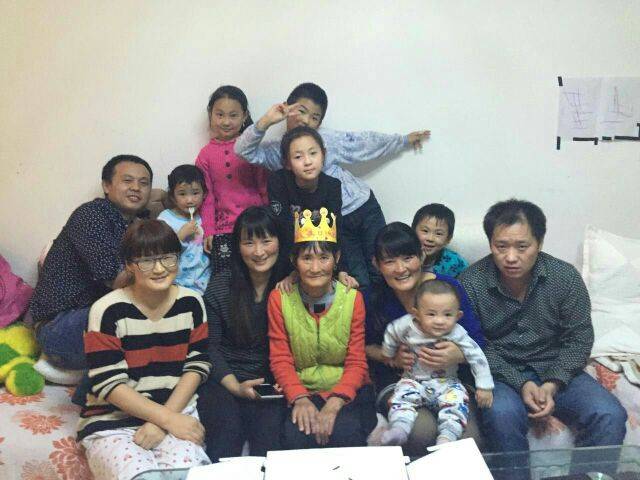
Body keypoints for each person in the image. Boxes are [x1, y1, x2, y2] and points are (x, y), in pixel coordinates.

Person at [459, 199, 627, 461]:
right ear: (490, 243)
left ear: (539, 243)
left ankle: (585, 477)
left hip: (555, 366)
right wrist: (521, 382)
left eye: (522, 246)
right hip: (500, 373)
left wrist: (552, 383)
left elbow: (579, 338)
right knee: (502, 415)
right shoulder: (470, 283)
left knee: (609, 414)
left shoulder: (564, 277)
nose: (511, 257)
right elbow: (473, 344)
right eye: (501, 246)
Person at [235, 82, 430, 288]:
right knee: (358, 278)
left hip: (364, 206)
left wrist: (402, 140)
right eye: (301, 111)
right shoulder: (278, 152)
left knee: (383, 264)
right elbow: (242, 150)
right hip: (335, 221)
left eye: (315, 117)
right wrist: (266, 121)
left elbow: (361, 143)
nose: (306, 120)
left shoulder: (326, 140)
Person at [78, 219, 211, 480]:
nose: (159, 269)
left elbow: (197, 365)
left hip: (177, 413)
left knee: (189, 476)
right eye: (147, 261)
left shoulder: (192, 303)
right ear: (129, 264)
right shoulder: (107, 310)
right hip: (113, 422)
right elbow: (108, 383)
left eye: (168, 258)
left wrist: (168, 420)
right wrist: (165, 419)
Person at [363, 222, 485, 454]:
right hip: (400, 383)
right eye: (389, 261)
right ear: (377, 264)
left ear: (421, 255)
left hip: (450, 381)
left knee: (466, 441)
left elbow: (478, 340)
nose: (400, 269)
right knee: (421, 431)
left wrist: (457, 354)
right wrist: (391, 358)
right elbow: (362, 346)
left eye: (408, 258)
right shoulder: (372, 297)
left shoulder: (447, 288)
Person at [31, 154, 152, 374]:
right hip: (60, 326)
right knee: (146, 306)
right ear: (106, 185)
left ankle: (85, 371)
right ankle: (69, 366)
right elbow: (118, 281)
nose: (136, 187)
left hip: (90, 319)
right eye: (127, 181)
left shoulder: (134, 223)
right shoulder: (92, 215)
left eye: (144, 183)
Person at [267, 207, 377, 449]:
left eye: (324, 258)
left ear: (336, 258)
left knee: (346, 433)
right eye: (307, 258)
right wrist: (299, 398)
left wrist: (335, 402)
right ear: (294, 261)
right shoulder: (279, 299)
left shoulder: (353, 299)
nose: (315, 268)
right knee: (296, 437)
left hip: (347, 390)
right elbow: (280, 358)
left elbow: (357, 361)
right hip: (301, 389)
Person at [197, 206, 288, 461]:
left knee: (269, 445)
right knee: (225, 438)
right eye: (249, 243)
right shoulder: (221, 285)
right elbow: (210, 347)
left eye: (266, 241)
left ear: (280, 242)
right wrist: (235, 387)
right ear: (237, 247)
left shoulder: (290, 286)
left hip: (270, 384)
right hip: (224, 381)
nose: (259, 252)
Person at [379, 279, 494, 447]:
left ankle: (447, 437)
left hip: (447, 383)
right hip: (413, 380)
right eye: (431, 314)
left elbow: (477, 356)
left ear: (458, 316)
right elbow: (391, 332)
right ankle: (399, 429)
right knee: (402, 399)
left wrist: (484, 386)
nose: (439, 321)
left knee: (457, 406)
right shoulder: (406, 325)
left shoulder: (458, 333)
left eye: (447, 315)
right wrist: (388, 353)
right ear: (416, 314)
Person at [195, 85, 269, 271]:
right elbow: (207, 197)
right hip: (223, 229)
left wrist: (270, 221)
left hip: (255, 225)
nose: (226, 121)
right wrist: (209, 230)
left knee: (257, 272)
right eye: (220, 115)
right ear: (210, 115)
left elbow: (263, 186)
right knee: (223, 276)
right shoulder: (205, 155)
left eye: (233, 115)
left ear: (244, 116)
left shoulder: (250, 148)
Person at [269, 125, 342, 261]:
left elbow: (335, 230)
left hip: (320, 253)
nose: (308, 162)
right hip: (287, 253)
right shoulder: (278, 182)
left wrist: (342, 267)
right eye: (298, 157)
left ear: (323, 154)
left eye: (313, 153)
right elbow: (281, 227)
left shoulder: (333, 186)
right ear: (287, 163)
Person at [158, 165, 210, 294]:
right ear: (172, 196)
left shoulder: (206, 218)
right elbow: (159, 250)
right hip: (176, 283)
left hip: (204, 282)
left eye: (195, 193)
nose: (189, 200)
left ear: (204, 194)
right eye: (182, 194)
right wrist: (180, 236)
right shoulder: (165, 219)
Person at [412, 203, 468, 277]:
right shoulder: (403, 257)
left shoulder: (456, 262)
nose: (430, 238)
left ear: (448, 239)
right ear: (412, 231)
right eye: (425, 231)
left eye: (438, 233)